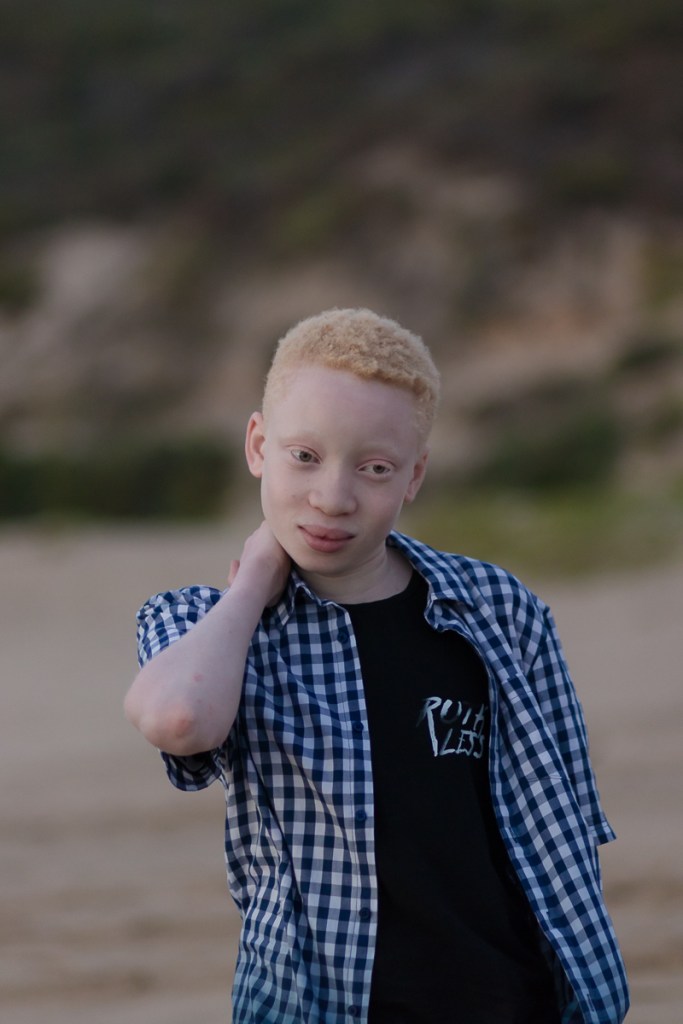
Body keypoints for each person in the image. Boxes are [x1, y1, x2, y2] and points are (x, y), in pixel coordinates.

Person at [125, 308, 629, 1024]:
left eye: (374, 468)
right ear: (257, 445)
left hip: (512, 999)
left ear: (413, 475)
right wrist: (251, 584)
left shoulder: (498, 607)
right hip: (320, 1006)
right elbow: (178, 718)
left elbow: (566, 822)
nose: (333, 497)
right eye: (303, 456)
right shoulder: (202, 624)